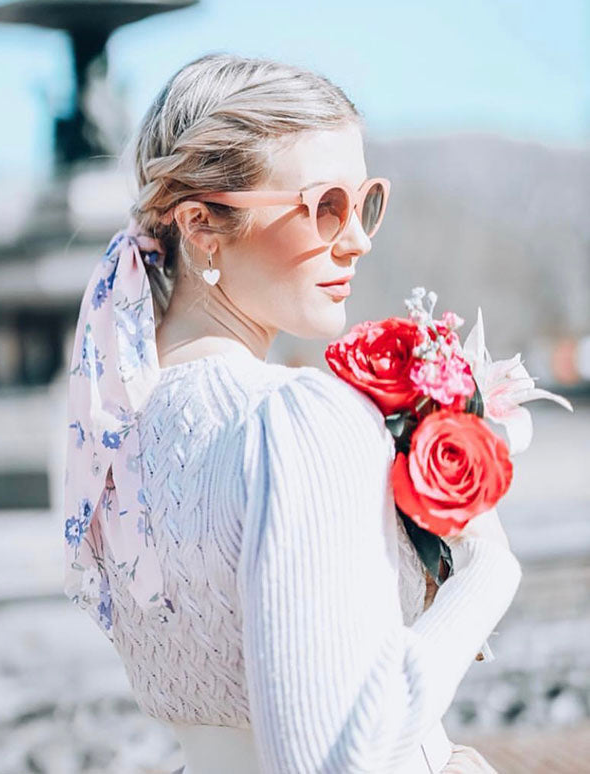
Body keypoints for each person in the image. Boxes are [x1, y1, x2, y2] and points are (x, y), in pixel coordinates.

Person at [63, 52, 522, 774]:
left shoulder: (119, 439)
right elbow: (340, 756)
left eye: (367, 200)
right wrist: (485, 574)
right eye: (324, 206)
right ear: (202, 227)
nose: (359, 237)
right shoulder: (293, 418)